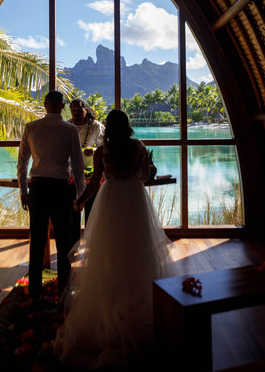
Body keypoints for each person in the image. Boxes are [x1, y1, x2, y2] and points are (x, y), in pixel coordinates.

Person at [53, 110, 175, 370]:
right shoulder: (139, 147)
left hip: (110, 203)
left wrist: (80, 201)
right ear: (128, 126)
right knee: (138, 252)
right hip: (133, 201)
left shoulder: (101, 153)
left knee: (108, 255)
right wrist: (141, 173)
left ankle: (109, 303)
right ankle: (137, 301)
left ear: (107, 128)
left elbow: (96, 183)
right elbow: (144, 176)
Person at [17, 91, 86, 301]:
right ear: (63, 106)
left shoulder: (31, 127)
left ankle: (35, 292)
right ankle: (63, 291)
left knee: (37, 241)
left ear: (45, 105)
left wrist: (23, 190)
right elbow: (77, 165)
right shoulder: (70, 130)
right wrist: (81, 195)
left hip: (38, 189)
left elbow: (22, 163)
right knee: (64, 242)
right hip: (61, 190)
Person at [68, 98, 105, 236]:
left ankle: (91, 245)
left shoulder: (96, 126)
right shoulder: (67, 126)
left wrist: (95, 151)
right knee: (73, 213)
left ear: (86, 110)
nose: (76, 113)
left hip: (92, 176)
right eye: (73, 111)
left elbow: (105, 146)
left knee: (92, 213)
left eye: (78, 110)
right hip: (71, 176)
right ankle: (74, 245)